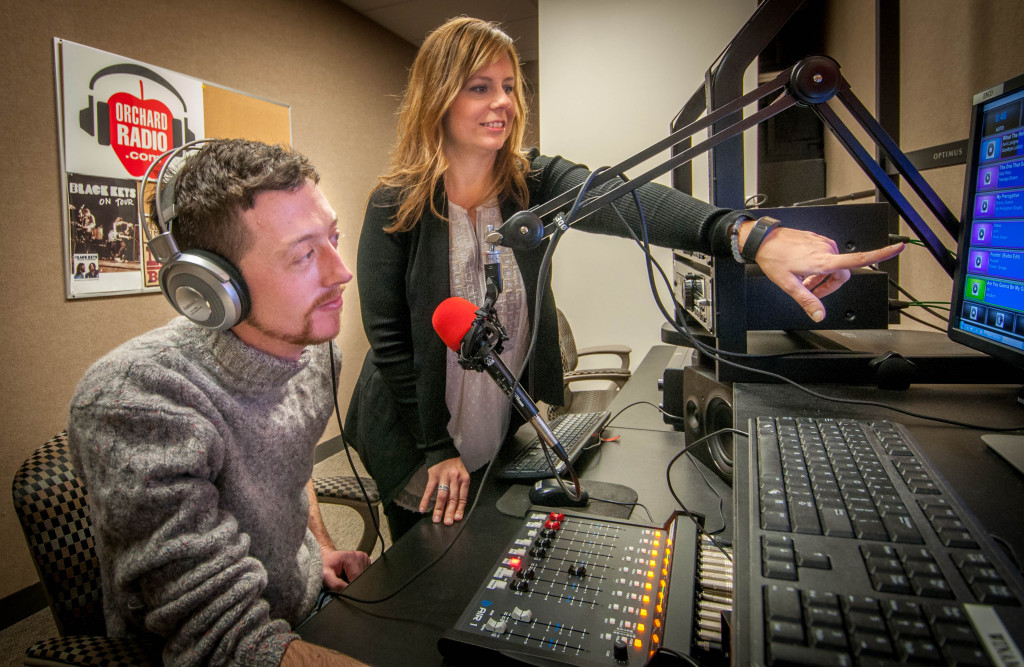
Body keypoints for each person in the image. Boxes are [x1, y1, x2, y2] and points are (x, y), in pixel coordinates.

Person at [346, 17, 904, 542]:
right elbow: (391, 341)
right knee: (420, 571)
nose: (504, 103)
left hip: (496, 420)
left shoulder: (532, 182)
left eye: (511, 86)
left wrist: (751, 236)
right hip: (415, 429)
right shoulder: (396, 202)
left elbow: (628, 201)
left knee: (488, 550)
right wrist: (435, 446)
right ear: (438, 97)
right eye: (480, 87)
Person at [68, 139, 370, 667]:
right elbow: (225, 642)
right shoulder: (138, 401)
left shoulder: (318, 357)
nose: (341, 272)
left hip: (303, 606)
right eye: (304, 254)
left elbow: (290, 468)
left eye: (334, 238)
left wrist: (317, 547)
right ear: (212, 286)